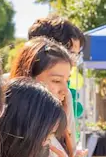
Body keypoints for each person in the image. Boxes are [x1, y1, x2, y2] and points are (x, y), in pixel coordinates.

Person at [27, 15, 85, 146]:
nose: (74, 62)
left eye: (77, 55)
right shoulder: (2, 89)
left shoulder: (66, 95)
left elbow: (68, 151)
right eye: (70, 53)